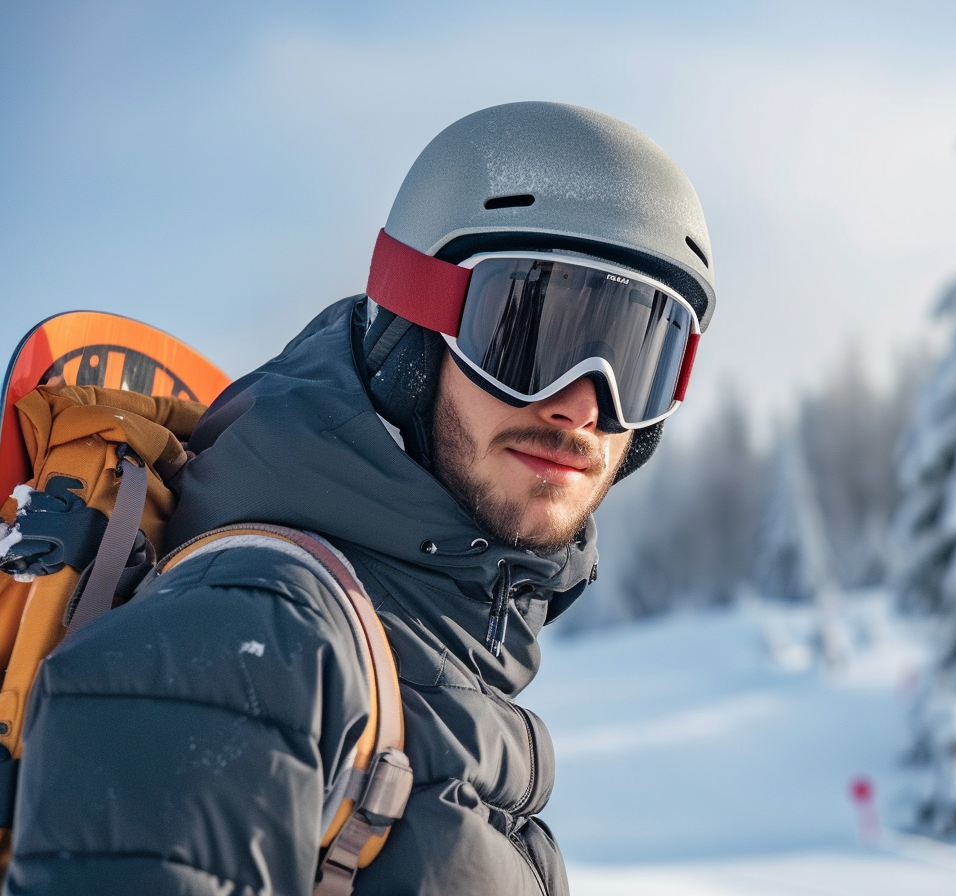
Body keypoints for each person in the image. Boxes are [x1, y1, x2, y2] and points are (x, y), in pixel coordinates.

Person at [5, 101, 715, 896]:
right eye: (528, 336)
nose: (582, 406)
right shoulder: (249, 647)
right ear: (411, 334)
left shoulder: (424, 666)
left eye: (635, 357)